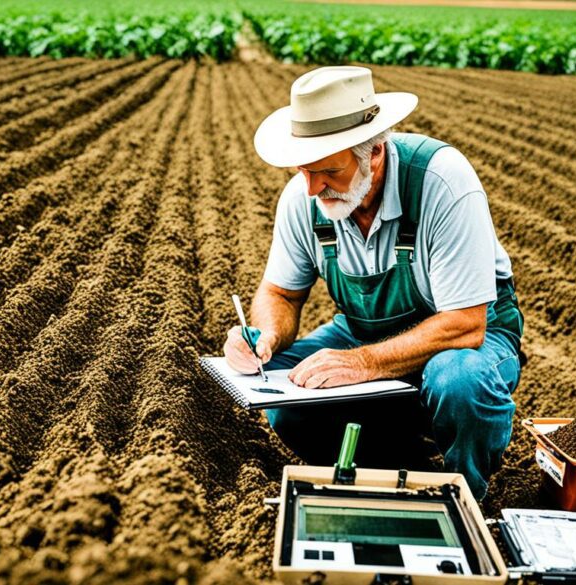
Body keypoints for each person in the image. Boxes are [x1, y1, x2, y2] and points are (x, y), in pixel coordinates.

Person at [222, 66, 524, 500]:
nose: (311, 188)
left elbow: (465, 324)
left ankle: (463, 495)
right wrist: (266, 336)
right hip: (364, 331)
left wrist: (361, 365)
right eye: (302, 170)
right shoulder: (305, 197)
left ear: (375, 152)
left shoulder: (440, 182)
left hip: (467, 338)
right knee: (287, 394)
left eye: (327, 171)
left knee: (459, 381)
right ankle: (390, 464)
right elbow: (281, 293)